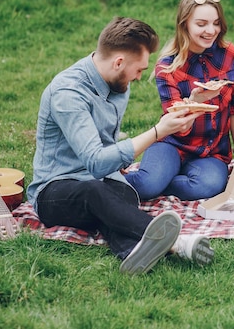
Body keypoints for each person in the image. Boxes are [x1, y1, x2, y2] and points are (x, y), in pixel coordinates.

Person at [27, 17, 214, 275]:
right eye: (138, 70)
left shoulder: (118, 85)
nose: (139, 77)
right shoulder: (68, 93)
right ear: (118, 62)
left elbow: (107, 148)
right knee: (96, 193)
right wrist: (158, 131)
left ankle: (132, 252)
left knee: (124, 196)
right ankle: (178, 243)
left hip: (104, 181)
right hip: (56, 190)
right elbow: (95, 162)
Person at [125, 0, 234, 200]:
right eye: (201, 24)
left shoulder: (228, 54)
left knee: (210, 186)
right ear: (185, 24)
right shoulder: (167, 67)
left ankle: (164, 180)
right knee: (145, 186)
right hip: (173, 143)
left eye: (216, 23)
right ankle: (101, 181)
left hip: (212, 151)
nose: (211, 30)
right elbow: (177, 128)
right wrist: (194, 103)